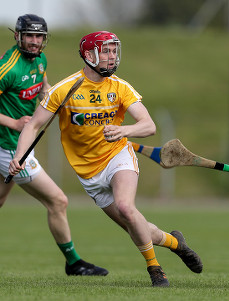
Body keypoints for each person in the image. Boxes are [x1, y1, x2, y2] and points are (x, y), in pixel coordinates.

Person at [8, 31, 203, 287]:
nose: (112, 57)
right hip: (88, 173)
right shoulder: (65, 89)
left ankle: (155, 269)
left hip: (117, 157)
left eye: (114, 51)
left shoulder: (120, 87)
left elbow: (148, 125)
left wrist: (124, 130)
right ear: (89, 55)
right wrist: (20, 156)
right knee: (137, 226)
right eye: (106, 51)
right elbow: (33, 126)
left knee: (126, 207)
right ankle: (177, 243)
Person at [0, 14, 108, 276]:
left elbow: (43, 86)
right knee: (58, 200)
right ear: (17, 36)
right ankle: (74, 263)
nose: (35, 42)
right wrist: (14, 123)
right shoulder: (7, 68)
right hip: (9, 148)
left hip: (21, 143)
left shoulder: (40, 60)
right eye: (29, 36)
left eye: (39, 37)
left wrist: (49, 97)